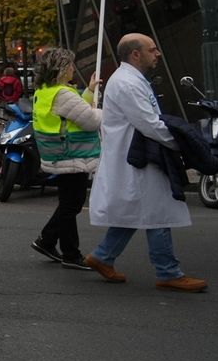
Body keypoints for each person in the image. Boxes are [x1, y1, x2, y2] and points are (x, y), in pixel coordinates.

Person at [84, 34, 207, 292]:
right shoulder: (128, 83)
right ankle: (168, 272)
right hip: (139, 157)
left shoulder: (129, 79)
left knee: (136, 212)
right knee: (157, 212)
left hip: (137, 156)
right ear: (136, 54)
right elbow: (149, 123)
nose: (157, 53)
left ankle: (103, 256)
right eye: (152, 49)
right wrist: (181, 143)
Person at [29, 49, 101, 271]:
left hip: (58, 154)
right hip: (72, 155)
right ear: (60, 69)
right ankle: (70, 253)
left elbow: (73, 111)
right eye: (70, 65)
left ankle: (47, 240)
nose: (72, 68)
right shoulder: (62, 94)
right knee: (72, 204)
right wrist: (103, 111)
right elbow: (91, 121)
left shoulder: (45, 91)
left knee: (69, 202)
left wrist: (89, 91)